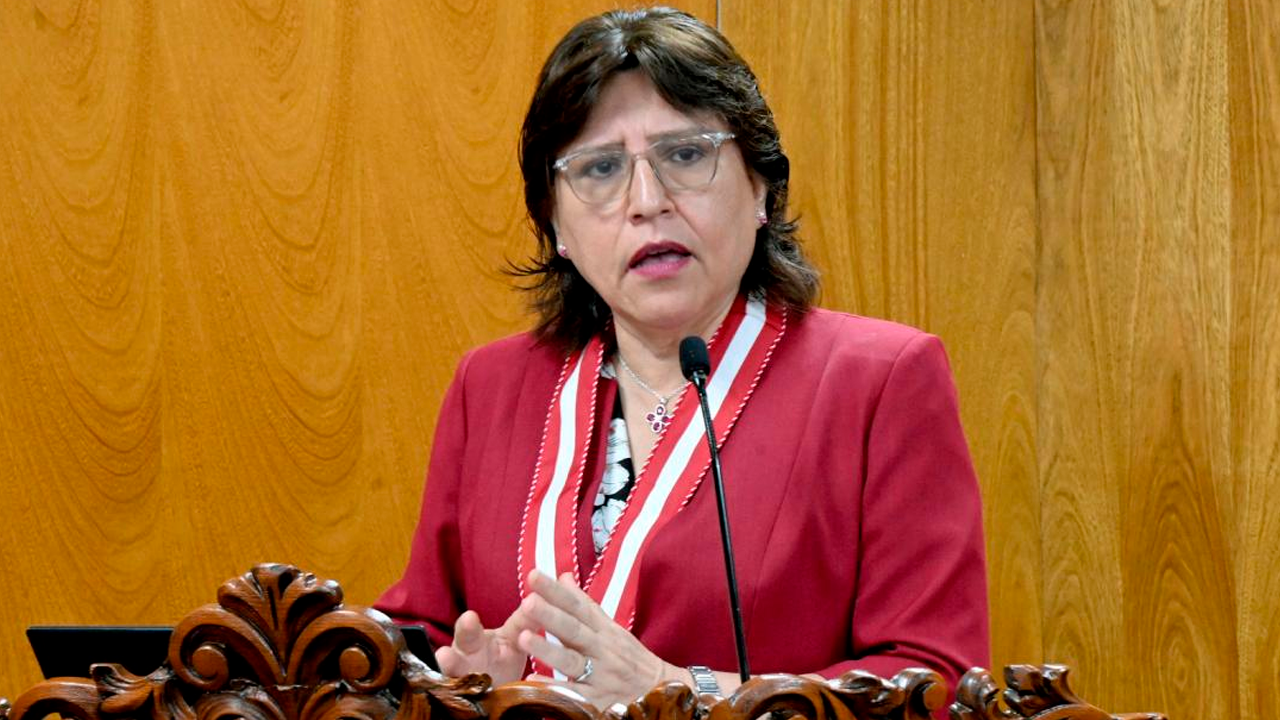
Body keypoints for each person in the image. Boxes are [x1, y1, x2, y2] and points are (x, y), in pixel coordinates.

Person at [377, 6, 989, 710]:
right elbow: (420, 631)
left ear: (760, 186)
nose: (646, 201)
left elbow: (933, 683)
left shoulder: (880, 381)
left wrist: (680, 695)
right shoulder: (492, 386)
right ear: (556, 224)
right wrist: (458, 676)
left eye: (687, 154)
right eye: (600, 168)